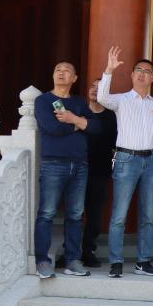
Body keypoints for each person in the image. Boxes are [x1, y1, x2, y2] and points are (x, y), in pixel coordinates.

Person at [97, 47, 153, 278]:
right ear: (131, 74)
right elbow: (102, 98)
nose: (142, 74)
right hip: (126, 159)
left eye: (147, 72)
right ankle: (116, 262)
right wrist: (108, 70)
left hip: (150, 161)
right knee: (119, 215)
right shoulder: (121, 100)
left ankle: (143, 262)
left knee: (147, 216)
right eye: (138, 70)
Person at [32, 62, 96, 279]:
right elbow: (52, 128)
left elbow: (95, 127)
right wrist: (78, 124)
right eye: (57, 70)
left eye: (67, 70)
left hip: (79, 164)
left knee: (76, 215)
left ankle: (72, 260)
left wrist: (72, 118)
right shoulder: (43, 101)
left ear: (74, 78)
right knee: (47, 213)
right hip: (53, 163)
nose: (61, 73)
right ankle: (42, 261)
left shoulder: (79, 102)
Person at [79, 78, 116, 268]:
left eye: (100, 87)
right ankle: (70, 252)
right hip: (77, 169)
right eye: (92, 86)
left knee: (94, 215)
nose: (94, 89)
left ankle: (88, 251)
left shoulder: (112, 116)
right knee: (74, 213)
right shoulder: (79, 112)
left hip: (100, 170)